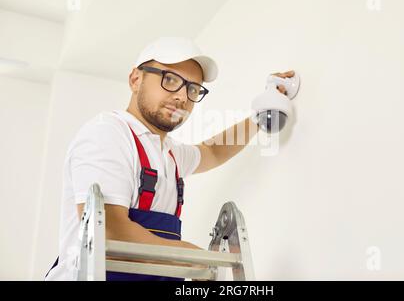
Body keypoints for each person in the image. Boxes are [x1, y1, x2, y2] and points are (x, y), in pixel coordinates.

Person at [44, 36, 294, 280]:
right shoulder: (108, 135)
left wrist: (260, 115)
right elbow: (107, 231)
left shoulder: (168, 153)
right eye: (170, 79)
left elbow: (214, 151)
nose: (182, 97)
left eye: (193, 88)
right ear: (135, 79)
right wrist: (192, 258)